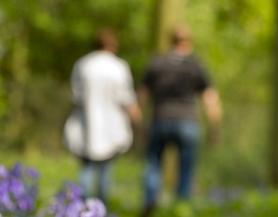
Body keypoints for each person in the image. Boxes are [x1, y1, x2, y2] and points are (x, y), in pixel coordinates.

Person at [138, 26, 222, 216]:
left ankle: (150, 200)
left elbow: (141, 97)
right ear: (189, 42)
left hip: (160, 120)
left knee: (153, 165)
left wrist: (138, 125)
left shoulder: (157, 63)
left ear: (171, 41)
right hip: (187, 122)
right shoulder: (195, 65)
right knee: (186, 169)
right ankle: (181, 208)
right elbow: (210, 99)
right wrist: (214, 128)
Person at [63, 28, 142, 204]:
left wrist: (65, 121)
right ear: (113, 45)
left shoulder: (83, 64)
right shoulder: (119, 66)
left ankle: (80, 207)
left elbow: (75, 98)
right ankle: (100, 208)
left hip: (87, 125)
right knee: (105, 170)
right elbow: (127, 99)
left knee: (87, 168)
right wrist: (138, 123)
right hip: (112, 127)